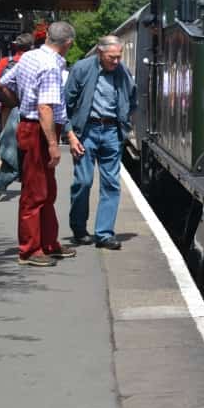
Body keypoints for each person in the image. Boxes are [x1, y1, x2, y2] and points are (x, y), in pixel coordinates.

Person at [0, 21, 80, 267]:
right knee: (35, 192)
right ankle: (30, 249)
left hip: (31, 126)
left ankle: (47, 242)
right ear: (68, 44)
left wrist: (21, 104)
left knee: (46, 190)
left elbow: (3, 83)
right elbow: (45, 108)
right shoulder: (51, 67)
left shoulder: (30, 57)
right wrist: (54, 144)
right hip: (39, 131)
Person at [64, 35, 136, 250]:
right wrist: (70, 134)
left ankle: (104, 234)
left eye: (119, 57)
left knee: (111, 184)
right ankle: (78, 229)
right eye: (111, 57)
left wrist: (124, 121)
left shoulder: (122, 71)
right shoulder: (82, 68)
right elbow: (65, 103)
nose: (116, 61)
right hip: (86, 131)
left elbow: (132, 98)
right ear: (99, 53)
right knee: (83, 182)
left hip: (112, 131)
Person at [0, 33, 34, 130]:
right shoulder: (34, 62)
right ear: (31, 47)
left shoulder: (5, 61)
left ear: (16, 46)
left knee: (7, 137)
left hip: (8, 106)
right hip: (28, 107)